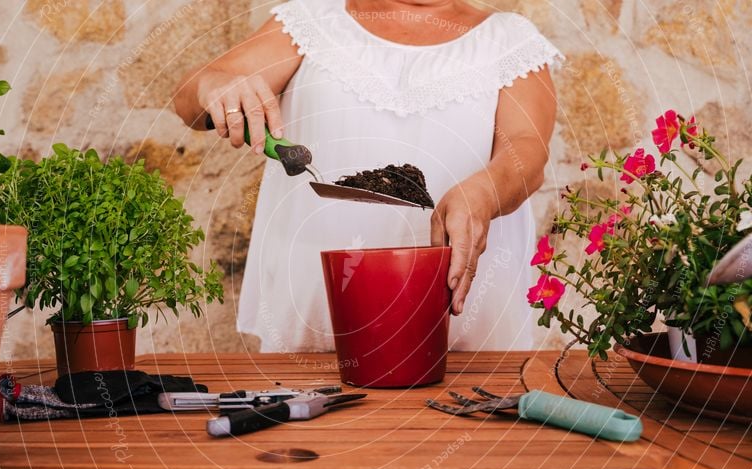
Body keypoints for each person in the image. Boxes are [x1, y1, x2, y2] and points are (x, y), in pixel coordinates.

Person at [174, 0, 561, 352]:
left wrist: (484, 192)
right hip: (316, 323)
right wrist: (214, 85)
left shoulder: (509, 41)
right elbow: (190, 99)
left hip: (462, 332)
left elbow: (527, 150)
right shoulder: (312, 21)